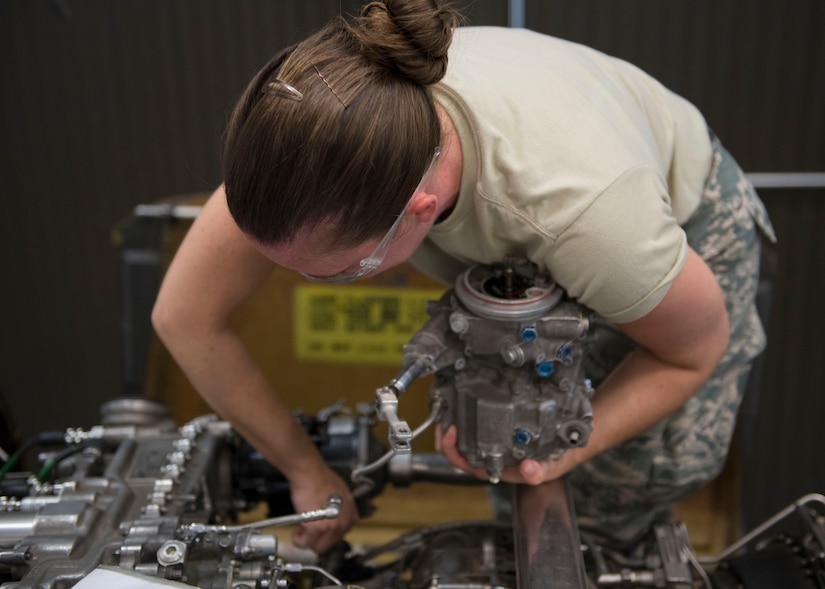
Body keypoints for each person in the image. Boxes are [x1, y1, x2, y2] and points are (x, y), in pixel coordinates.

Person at [152, 0, 775, 554]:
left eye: (336, 273)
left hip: (681, 215)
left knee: (620, 479)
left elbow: (692, 353)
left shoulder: (587, 216)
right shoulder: (316, 146)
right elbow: (184, 317)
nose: (294, 275)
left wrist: (562, 449)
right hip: (550, 202)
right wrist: (305, 470)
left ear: (418, 213)